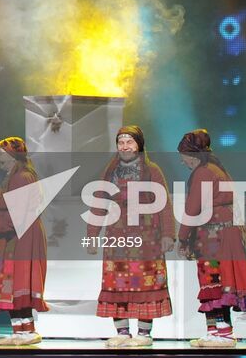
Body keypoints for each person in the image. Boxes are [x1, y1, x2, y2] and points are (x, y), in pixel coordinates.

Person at [175, 129, 246, 348]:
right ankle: (214, 332)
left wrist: (183, 238)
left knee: (215, 283)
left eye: (183, 156)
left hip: (215, 237)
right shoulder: (216, 169)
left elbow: (193, 208)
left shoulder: (205, 173)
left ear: (192, 154)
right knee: (212, 283)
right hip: (219, 234)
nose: (182, 161)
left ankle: (223, 333)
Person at [87, 125, 173, 347]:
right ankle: (122, 332)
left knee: (146, 282)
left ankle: (144, 333)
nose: (125, 147)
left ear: (139, 145)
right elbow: (99, 201)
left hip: (147, 237)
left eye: (129, 142)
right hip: (117, 234)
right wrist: (92, 233)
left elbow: (163, 204)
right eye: (121, 143)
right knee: (117, 282)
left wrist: (168, 235)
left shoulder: (152, 170)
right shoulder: (111, 170)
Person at [0, 136, 49, 345]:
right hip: (8, 237)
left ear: (12, 154)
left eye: (1, 152)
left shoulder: (23, 177)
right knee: (9, 284)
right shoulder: (11, 177)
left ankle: (28, 332)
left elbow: (23, 212)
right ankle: (19, 332)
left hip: (21, 237)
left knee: (18, 282)